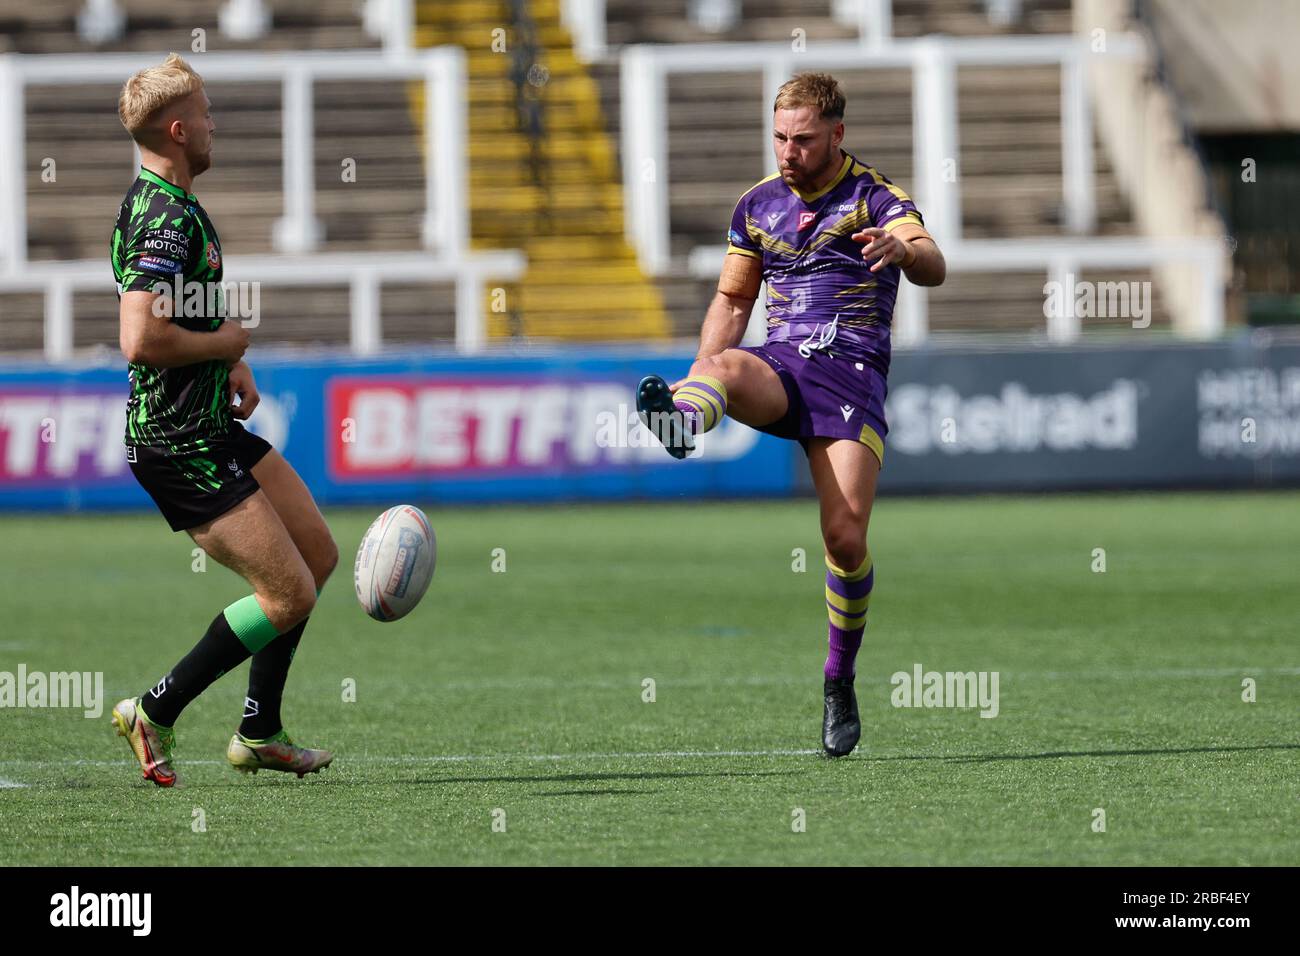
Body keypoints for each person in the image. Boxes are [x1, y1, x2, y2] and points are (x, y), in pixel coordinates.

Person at [637, 72, 946, 758]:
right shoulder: (757, 206)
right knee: (720, 366)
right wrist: (696, 373)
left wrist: (903, 249)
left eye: (803, 139)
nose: (788, 151)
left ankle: (839, 679)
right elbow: (734, 301)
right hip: (781, 367)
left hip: (850, 377)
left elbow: (933, 262)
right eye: (779, 137)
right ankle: (684, 420)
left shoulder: (875, 196)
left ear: (837, 134)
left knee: (843, 536)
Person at [109, 54, 338, 785]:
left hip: (208, 422)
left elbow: (180, 306)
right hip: (178, 442)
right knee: (288, 593)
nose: (215, 125)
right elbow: (140, 337)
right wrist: (223, 344)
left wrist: (224, 360)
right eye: (206, 115)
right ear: (179, 130)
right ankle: (155, 711)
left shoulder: (172, 203)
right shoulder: (165, 220)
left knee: (317, 555)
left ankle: (259, 731)